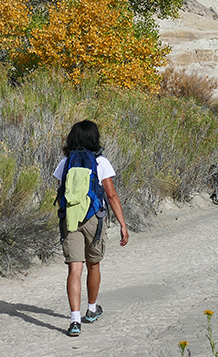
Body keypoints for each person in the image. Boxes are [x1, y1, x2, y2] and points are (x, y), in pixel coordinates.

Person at [53, 120, 129, 337]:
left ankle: (75, 321)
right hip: (94, 219)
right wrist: (122, 224)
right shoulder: (100, 161)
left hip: (70, 219)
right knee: (93, 265)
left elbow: (61, 193)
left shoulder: (66, 161)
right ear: (94, 139)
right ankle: (92, 309)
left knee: (74, 269)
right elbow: (111, 194)